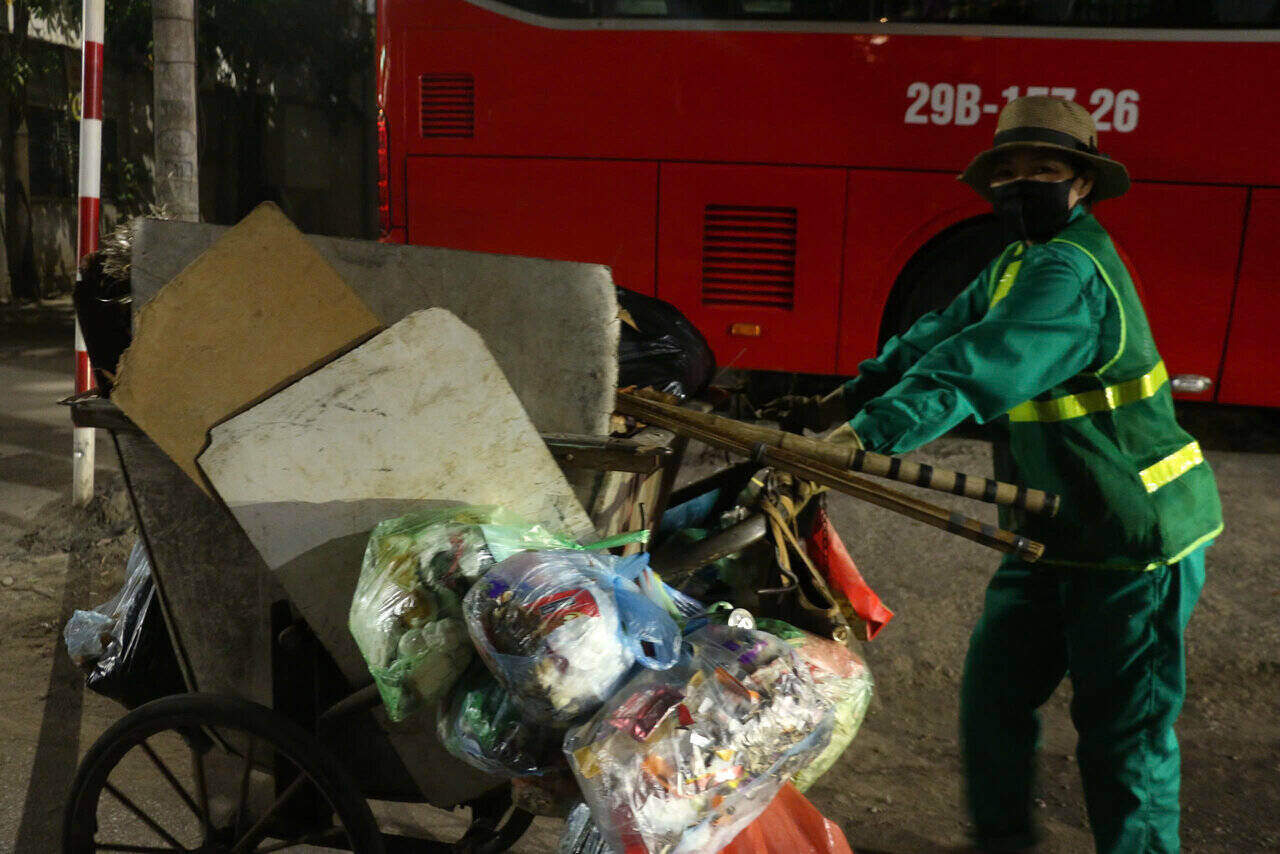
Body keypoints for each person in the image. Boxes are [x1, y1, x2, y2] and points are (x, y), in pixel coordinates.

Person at [762, 96, 1222, 853]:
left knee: (1122, 739)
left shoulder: (1070, 272)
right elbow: (938, 336)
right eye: (1008, 172)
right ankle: (1003, 840)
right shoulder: (1018, 260)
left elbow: (980, 367)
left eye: (1043, 170)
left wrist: (862, 436)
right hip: (1052, 531)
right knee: (994, 695)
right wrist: (839, 399)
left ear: (1081, 184)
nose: (1021, 184)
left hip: (1133, 540)